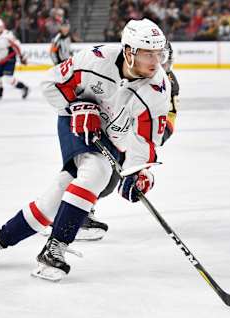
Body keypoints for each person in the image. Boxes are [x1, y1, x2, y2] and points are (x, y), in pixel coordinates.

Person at [0, 18, 171, 282]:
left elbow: (145, 140)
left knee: (55, 198)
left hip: (113, 140)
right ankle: (54, 249)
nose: (156, 61)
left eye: (158, 53)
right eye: (147, 53)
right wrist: (77, 106)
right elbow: (50, 84)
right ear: (129, 51)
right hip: (75, 121)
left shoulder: (157, 89)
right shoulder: (95, 60)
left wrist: (140, 172)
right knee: (96, 171)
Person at [75, 40, 180, 241]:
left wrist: (141, 152)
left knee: (110, 180)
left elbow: (168, 120)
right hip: (105, 127)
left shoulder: (167, 84)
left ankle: (77, 211)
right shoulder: (125, 69)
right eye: (152, 56)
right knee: (93, 172)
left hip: (129, 138)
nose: (158, 63)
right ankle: (74, 213)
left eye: (162, 58)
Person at [0, 18, 29, 100]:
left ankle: (24, 87)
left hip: (9, 58)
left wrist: (21, 57)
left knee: (8, 79)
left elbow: (17, 46)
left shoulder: (8, 36)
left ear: (2, 27)